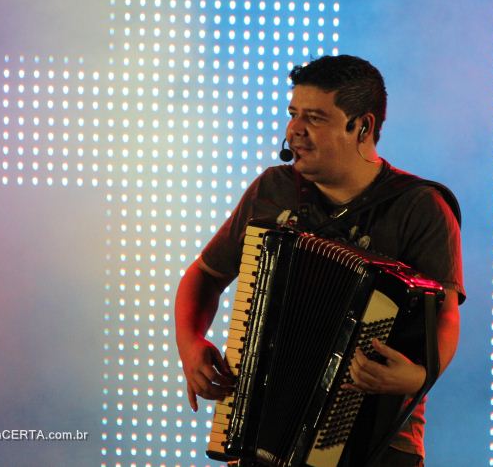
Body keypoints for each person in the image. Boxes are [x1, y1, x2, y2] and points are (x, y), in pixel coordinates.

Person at [175, 55, 465, 466]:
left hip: (378, 443)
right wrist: (190, 345)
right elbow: (204, 275)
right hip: (258, 429)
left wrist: (417, 377)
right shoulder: (273, 189)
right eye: (293, 114)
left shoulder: (420, 206)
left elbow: (446, 317)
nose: (295, 130)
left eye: (315, 117)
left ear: (361, 126)